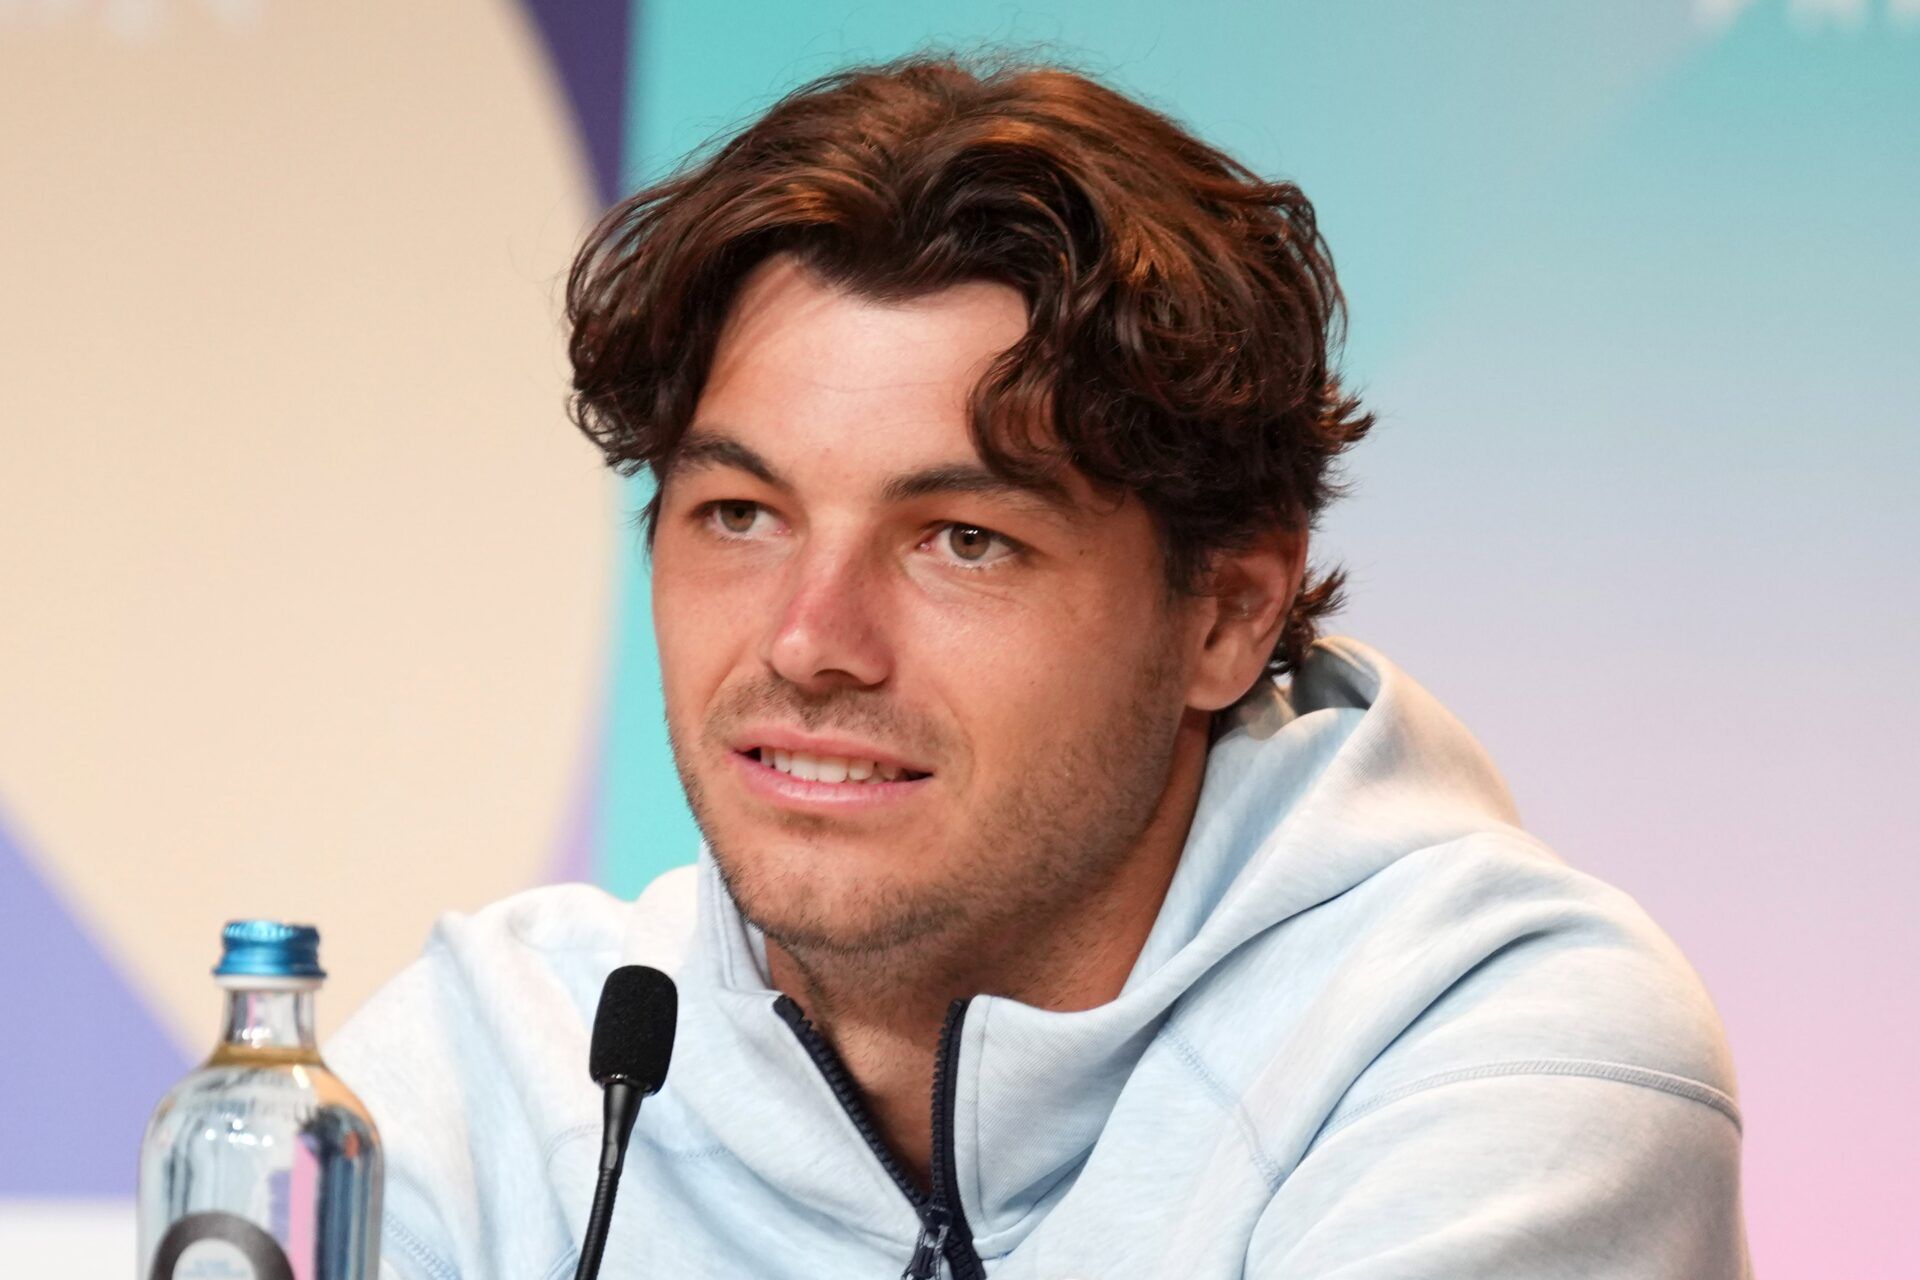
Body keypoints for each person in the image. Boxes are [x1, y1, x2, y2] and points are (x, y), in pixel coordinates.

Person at [328, 51, 1751, 1279]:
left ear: (1226, 612)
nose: (810, 642)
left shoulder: (1496, 1047)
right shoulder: (498, 1068)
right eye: (741, 516)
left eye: (960, 538)